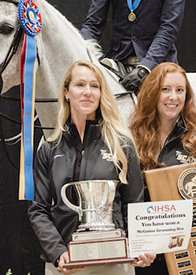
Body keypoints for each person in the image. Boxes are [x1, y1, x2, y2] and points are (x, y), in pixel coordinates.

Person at [28, 61, 155, 274]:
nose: (88, 92)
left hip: (113, 262)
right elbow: (38, 209)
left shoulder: (122, 144)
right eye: (80, 85)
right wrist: (58, 253)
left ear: (101, 93)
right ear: (66, 92)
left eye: (94, 86)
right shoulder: (49, 147)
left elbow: (133, 205)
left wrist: (138, 246)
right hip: (65, 263)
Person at [130, 62, 196, 274]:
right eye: (165, 89)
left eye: (180, 90)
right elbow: (125, 197)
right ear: (152, 94)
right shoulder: (130, 139)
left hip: (185, 253)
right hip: (144, 254)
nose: (173, 97)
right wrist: (135, 245)